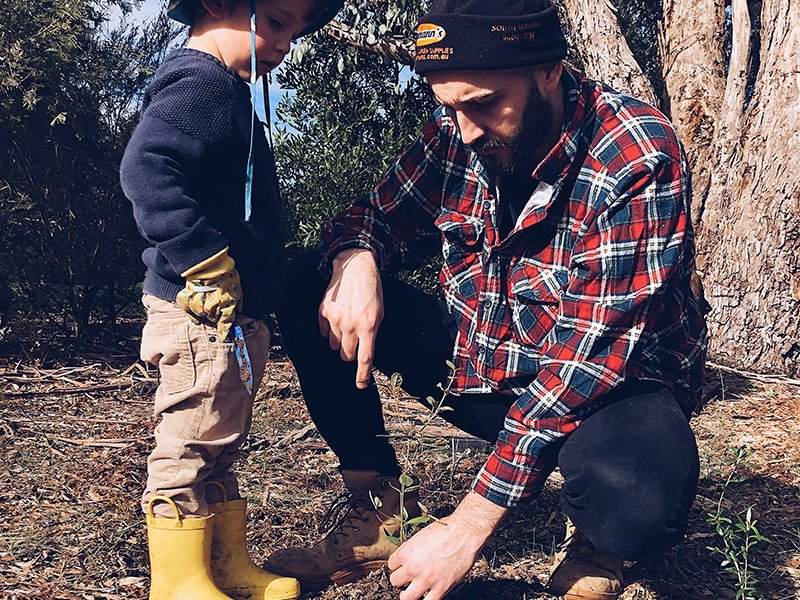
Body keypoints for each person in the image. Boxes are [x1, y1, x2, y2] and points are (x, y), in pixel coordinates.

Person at [266, 0, 708, 599]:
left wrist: (468, 525)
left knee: (637, 504)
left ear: (548, 70)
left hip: (610, 390)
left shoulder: (634, 155)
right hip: (486, 368)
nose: (467, 129)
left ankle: (597, 543)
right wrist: (358, 259)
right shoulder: (459, 133)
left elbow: (586, 363)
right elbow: (371, 216)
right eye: (449, 106)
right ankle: (379, 508)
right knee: (307, 284)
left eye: (483, 103)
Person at [119, 0, 342, 598]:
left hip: (230, 314)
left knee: (218, 441)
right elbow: (146, 169)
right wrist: (205, 262)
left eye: (294, 32)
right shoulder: (202, 83)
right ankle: (178, 582)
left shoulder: (225, 88)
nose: (285, 44)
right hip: (200, 311)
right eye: (276, 23)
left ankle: (222, 566)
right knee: (191, 441)